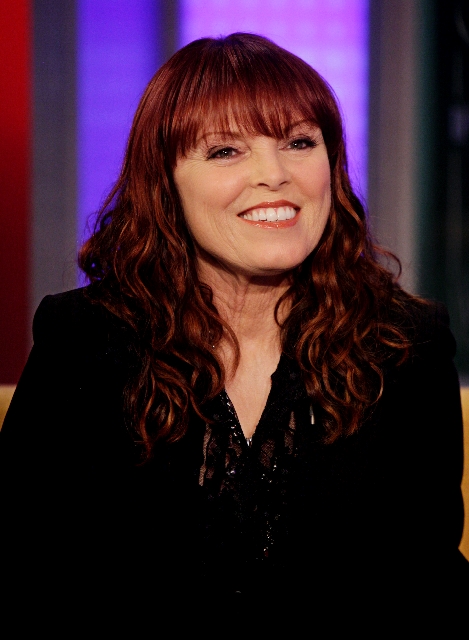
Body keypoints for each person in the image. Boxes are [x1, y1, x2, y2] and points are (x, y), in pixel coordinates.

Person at [1, 33, 467, 624]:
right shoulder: (84, 339)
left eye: (299, 142)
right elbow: (26, 570)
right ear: (165, 181)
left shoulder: (405, 345)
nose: (274, 174)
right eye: (226, 151)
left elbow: (428, 582)